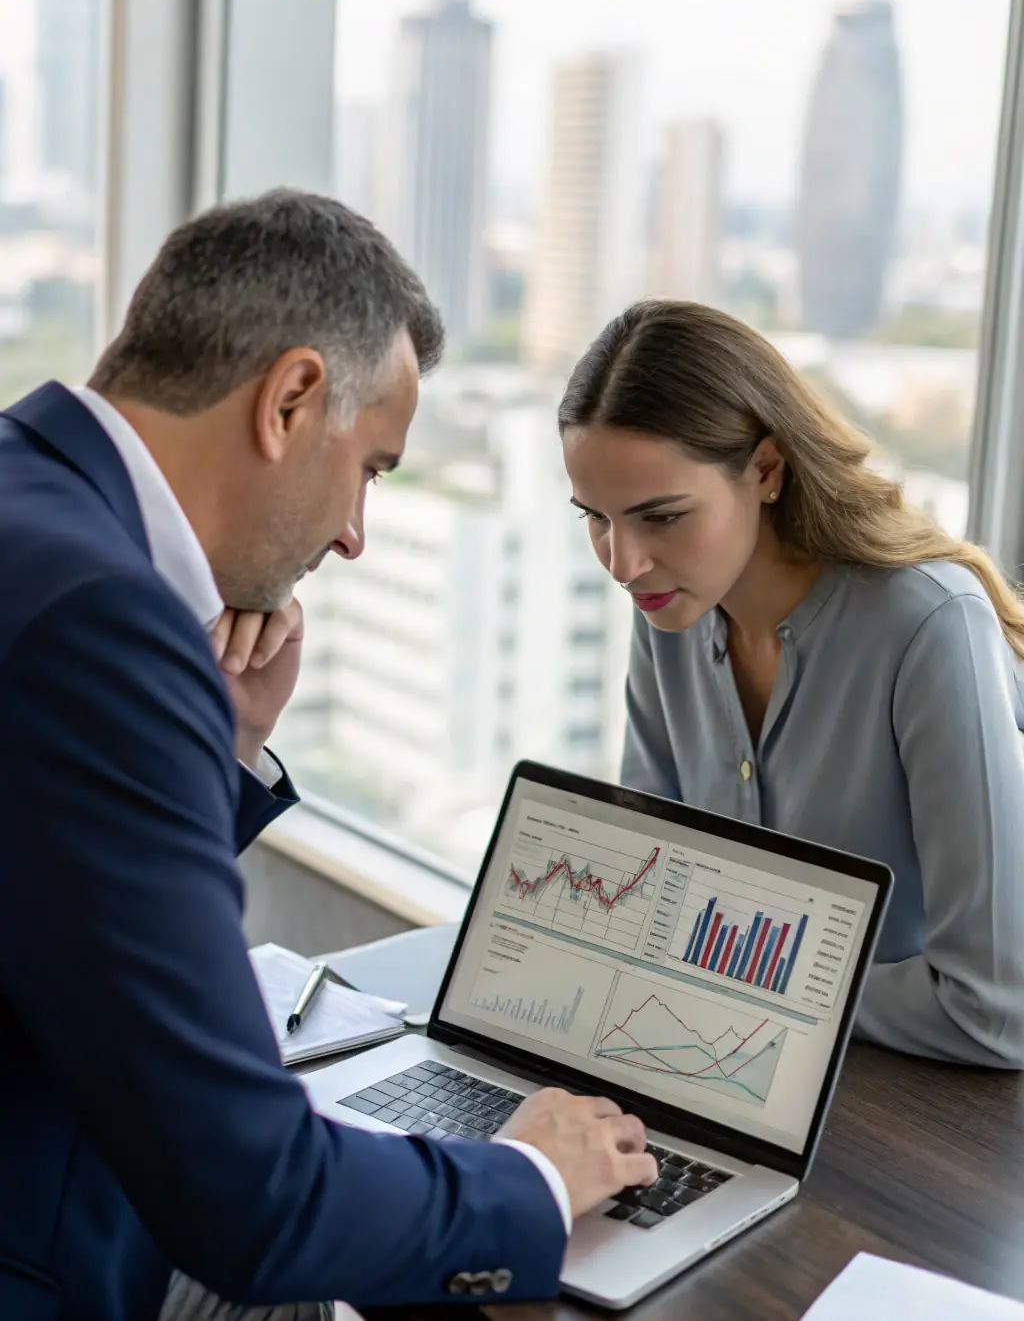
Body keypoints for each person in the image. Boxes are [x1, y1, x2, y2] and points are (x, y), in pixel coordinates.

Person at [0, 190, 657, 1321]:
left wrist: (231, 738)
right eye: (372, 470)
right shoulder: (103, 622)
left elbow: (53, 898)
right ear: (292, 398)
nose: (354, 535)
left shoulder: (29, 500)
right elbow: (256, 1203)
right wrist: (535, 1177)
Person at [559, 298, 1024, 1071]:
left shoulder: (928, 628)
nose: (622, 562)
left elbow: (998, 1009)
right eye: (596, 518)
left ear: (766, 471)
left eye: (661, 516)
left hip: (921, 1107)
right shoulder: (668, 608)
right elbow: (648, 899)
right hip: (734, 1067)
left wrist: (748, 986)